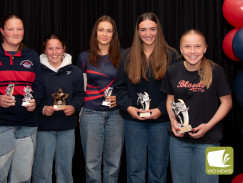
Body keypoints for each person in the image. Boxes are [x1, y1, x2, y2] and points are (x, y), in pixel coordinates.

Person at [0, 14, 44, 183]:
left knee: (22, 178)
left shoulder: (32, 56)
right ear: (2, 31)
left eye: (19, 29)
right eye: (10, 29)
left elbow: (40, 87)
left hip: (28, 125)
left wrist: (34, 100)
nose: (15, 33)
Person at [160, 29, 232, 183]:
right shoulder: (172, 70)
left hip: (211, 139)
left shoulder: (217, 71)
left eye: (198, 46)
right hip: (179, 141)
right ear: (180, 48)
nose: (192, 51)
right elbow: (170, 99)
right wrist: (172, 120)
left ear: (205, 48)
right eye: (187, 46)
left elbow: (227, 103)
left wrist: (208, 126)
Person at [115, 12, 179, 183]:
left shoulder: (171, 55)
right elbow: (119, 88)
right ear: (138, 32)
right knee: (135, 169)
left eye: (152, 29)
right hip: (133, 121)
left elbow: (175, 91)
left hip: (161, 121)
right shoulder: (127, 55)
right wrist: (129, 108)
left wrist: (160, 110)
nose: (148, 33)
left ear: (158, 30)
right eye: (143, 29)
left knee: (158, 169)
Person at [77, 15, 124, 183]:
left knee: (113, 163)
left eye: (109, 31)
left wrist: (120, 99)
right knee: (91, 163)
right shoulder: (84, 57)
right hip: (91, 113)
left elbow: (128, 85)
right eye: (101, 30)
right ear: (95, 33)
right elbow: (80, 87)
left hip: (116, 114)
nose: (105, 34)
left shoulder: (123, 55)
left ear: (114, 34)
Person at [32, 34, 84, 183]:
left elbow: (80, 94)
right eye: (50, 48)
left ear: (64, 49)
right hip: (44, 127)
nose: (54, 52)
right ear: (44, 50)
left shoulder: (75, 72)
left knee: (65, 170)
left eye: (58, 48)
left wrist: (74, 107)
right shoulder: (37, 71)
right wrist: (42, 109)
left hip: (67, 128)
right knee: (42, 171)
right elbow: (32, 95)